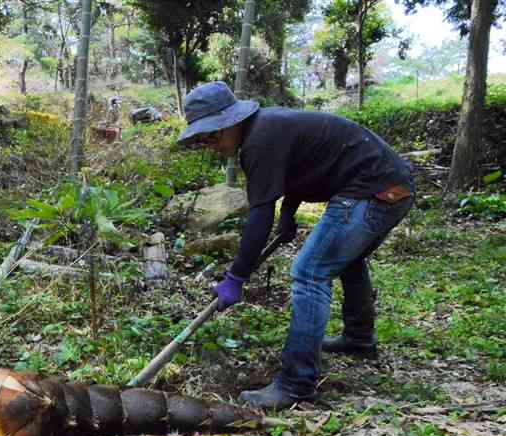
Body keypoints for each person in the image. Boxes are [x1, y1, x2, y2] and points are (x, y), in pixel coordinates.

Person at [178, 81, 415, 409]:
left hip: (373, 191)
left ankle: (296, 383)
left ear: (232, 121)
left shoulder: (259, 142)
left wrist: (236, 278)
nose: (211, 145)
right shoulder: (268, 128)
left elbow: (258, 219)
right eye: (203, 140)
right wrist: (288, 213)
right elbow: (302, 169)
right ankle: (359, 339)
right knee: (346, 258)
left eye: (213, 134)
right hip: (390, 187)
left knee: (309, 273)